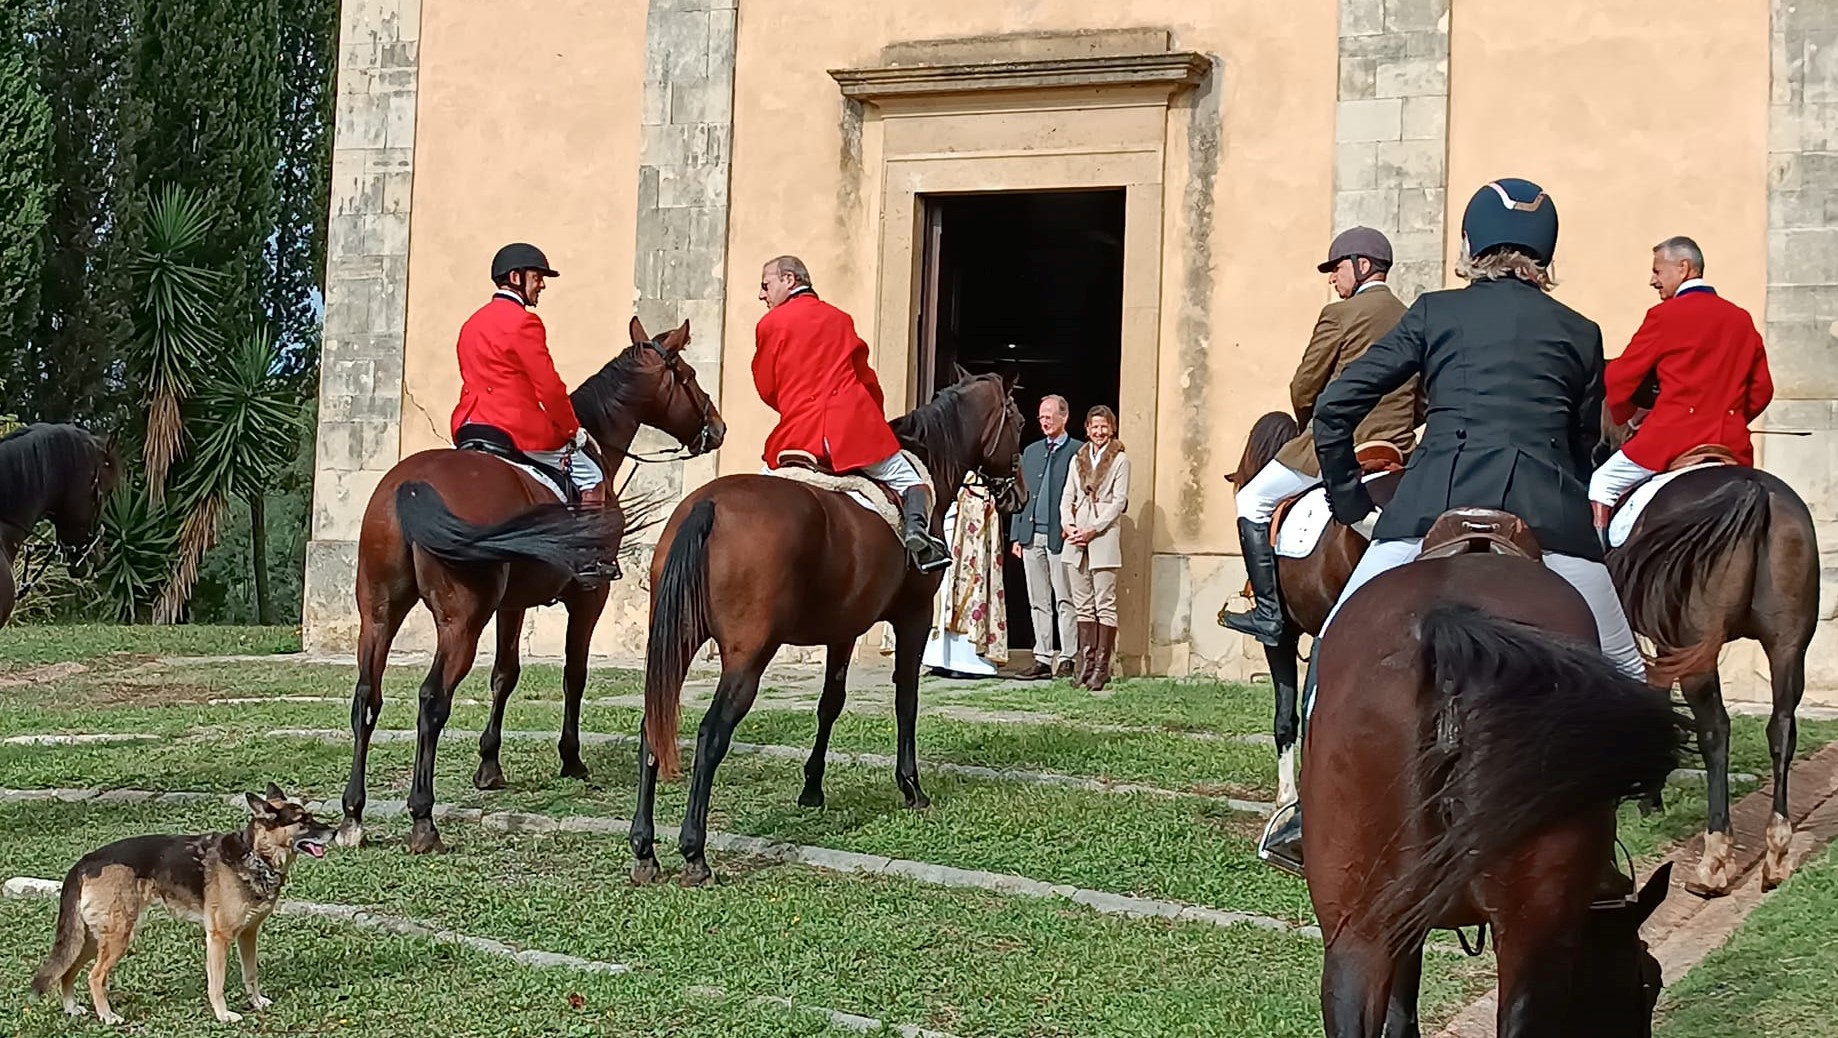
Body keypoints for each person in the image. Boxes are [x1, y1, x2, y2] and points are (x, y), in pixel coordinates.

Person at [1257, 177, 1646, 878]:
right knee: (1627, 673)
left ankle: (1306, 814)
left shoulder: (1435, 312)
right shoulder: (1580, 331)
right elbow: (1587, 446)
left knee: (1334, 653)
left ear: (1469, 247)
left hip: (1427, 508)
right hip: (1548, 520)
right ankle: (1608, 841)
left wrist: (1348, 500)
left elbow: (1339, 403)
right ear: (1545, 256)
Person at [1219, 226, 1420, 645]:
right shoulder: (1413, 317)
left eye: (1336, 268)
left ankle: (1269, 614)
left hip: (1339, 444)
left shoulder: (1339, 315)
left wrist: (1309, 423)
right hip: (1399, 450)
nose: (1332, 278)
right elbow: (1427, 400)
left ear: (1362, 266)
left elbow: (1304, 386)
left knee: (1252, 499)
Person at [753, 255, 950, 571]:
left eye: (766, 285)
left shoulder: (770, 324)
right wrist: (873, 421)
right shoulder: (840, 319)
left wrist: (794, 406)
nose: (762, 294)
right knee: (912, 480)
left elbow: (766, 385)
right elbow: (866, 379)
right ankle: (919, 539)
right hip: (851, 432)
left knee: (760, 492)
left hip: (798, 436)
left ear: (789, 280)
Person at [1588, 236, 1774, 544]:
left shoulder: (1664, 316)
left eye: (1658, 271)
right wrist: (1731, 416)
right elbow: (1762, 389)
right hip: (1731, 444)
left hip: (1671, 437)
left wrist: (1628, 416)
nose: (1653, 280)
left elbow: (1621, 377)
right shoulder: (1740, 318)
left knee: (1602, 482)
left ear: (1683, 268)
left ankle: (1603, 573)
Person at [450, 242, 617, 581]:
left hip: (470, 425)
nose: (542, 284)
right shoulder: (524, 322)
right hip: (515, 429)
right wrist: (573, 431)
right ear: (515, 277)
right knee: (591, 475)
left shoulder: (471, 323)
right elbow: (550, 389)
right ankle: (588, 559)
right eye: (537, 277)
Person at [1009, 395, 1083, 679]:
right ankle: (1041, 656)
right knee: (1037, 599)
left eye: (1050, 415)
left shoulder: (1078, 451)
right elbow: (1021, 494)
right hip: (1031, 535)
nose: (1045, 421)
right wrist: (1017, 534)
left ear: (1065, 417)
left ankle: (1067, 657)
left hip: (1059, 536)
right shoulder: (1031, 451)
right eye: (1041, 416)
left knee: (1065, 599)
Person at [1060, 405, 1131, 692]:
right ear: (1087, 429)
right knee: (1082, 604)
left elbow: (1119, 501)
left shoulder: (1121, 460)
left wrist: (1094, 528)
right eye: (1094, 427)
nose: (1099, 432)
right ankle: (1084, 662)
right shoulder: (1078, 458)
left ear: (1111, 429)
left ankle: (1102, 666)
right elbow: (1067, 494)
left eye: (1104, 427)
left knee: (1105, 602)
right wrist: (1069, 524)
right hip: (1077, 535)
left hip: (1102, 535)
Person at [923, 472, 1010, 677]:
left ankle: (972, 661)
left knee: (972, 589)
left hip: (973, 514)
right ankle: (939, 658)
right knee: (942, 591)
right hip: (946, 519)